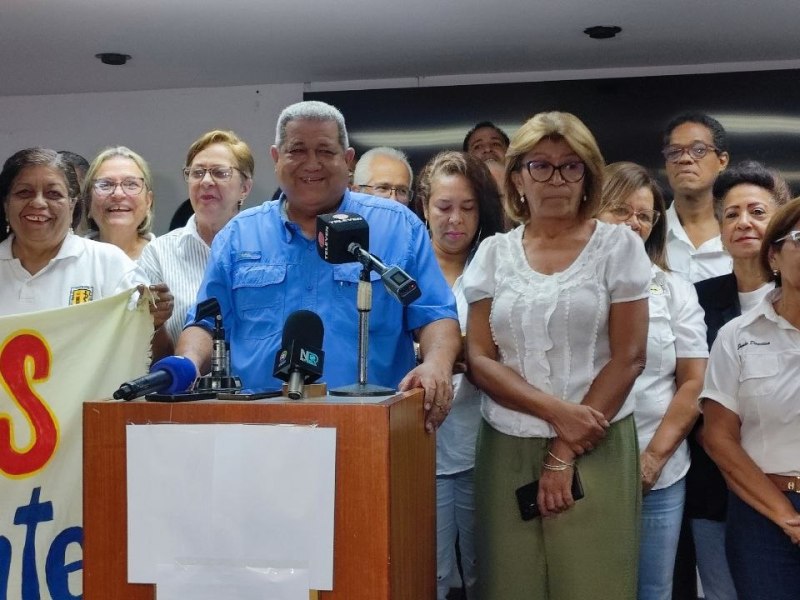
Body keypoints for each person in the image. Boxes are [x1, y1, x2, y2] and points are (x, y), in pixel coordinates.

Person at [175, 100, 461, 432]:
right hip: (259, 431)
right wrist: (185, 365)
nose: (312, 164)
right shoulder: (238, 236)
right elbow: (205, 324)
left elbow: (436, 315)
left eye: (325, 151)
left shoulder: (398, 227)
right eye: (297, 150)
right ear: (276, 157)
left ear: (348, 159)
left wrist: (437, 364)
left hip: (371, 428)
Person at [463, 111, 651, 599]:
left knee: (594, 584)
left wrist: (563, 450)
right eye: (540, 166)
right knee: (510, 586)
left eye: (571, 166)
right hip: (507, 442)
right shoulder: (493, 254)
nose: (556, 178)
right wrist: (556, 413)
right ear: (518, 175)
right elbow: (480, 358)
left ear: (588, 175)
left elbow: (629, 357)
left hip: (596, 441)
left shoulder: (619, 247)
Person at [595, 162, 708, 600]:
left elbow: (693, 383)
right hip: (578, 466)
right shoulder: (566, 283)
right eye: (621, 210)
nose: (634, 224)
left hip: (657, 472)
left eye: (644, 216)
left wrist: (652, 460)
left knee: (653, 590)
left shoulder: (675, 288)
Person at [687, 160, 791, 600]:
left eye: (758, 212)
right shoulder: (697, 299)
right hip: (714, 486)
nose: (744, 223)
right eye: (731, 214)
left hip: (784, 478)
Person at [415, 150, 504, 600]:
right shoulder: (405, 270)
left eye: (467, 208)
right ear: (424, 207)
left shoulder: (495, 264)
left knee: (483, 570)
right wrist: (464, 350)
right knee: (428, 571)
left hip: (481, 442)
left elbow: (503, 350)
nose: (455, 220)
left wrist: (442, 352)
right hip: (418, 443)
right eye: (444, 207)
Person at [0, 148, 172, 350]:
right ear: (5, 204)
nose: (38, 202)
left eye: (53, 194)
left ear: (73, 205)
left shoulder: (110, 264)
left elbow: (155, 359)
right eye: (24, 192)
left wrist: (155, 324)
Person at [138, 130, 254, 347]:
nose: (206, 181)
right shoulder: (158, 253)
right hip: (185, 378)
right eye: (197, 173)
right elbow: (147, 356)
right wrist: (156, 323)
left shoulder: (266, 246)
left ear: (245, 188)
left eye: (220, 173)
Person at [662, 112, 731, 283]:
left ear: (722, 161)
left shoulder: (739, 231)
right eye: (674, 152)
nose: (685, 159)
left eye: (698, 150)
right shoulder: (650, 231)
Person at [84, 146, 155, 259]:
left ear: (148, 201)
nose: (118, 194)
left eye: (131, 184)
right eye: (105, 185)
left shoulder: (168, 258)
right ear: (88, 202)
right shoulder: (67, 263)